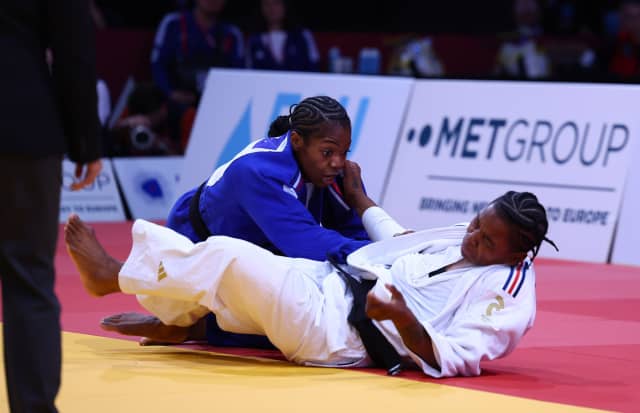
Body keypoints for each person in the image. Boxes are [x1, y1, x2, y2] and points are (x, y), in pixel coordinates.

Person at [64, 183, 557, 378]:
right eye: (476, 224)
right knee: (232, 275)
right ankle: (183, 322)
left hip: (341, 333)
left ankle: (115, 277)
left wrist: (402, 317)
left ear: (518, 253)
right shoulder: (466, 236)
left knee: (229, 257)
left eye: (487, 241)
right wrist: (361, 200)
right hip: (333, 283)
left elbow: (456, 357)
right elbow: (402, 243)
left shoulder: (509, 295)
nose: (472, 239)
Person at [166, 95, 374, 347]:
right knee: (307, 326)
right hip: (194, 244)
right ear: (296, 141)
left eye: (344, 152)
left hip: (266, 243)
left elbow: (357, 234)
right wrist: (380, 255)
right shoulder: (258, 171)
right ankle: (199, 327)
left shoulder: (331, 170)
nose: (338, 162)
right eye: (328, 152)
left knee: (353, 298)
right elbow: (307, 244)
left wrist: (360, 201)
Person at [0, 1, 103, 411]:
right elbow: (73, 50)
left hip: (21, 126)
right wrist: (86, 141)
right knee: (28, 276)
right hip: (20, 126)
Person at [151, 0, 244, 143]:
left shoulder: (231, 33)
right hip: (178, 101)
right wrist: (171, 93)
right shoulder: (173, 23)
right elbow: (158, 64)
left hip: (218, 104)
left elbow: (240, 77)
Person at [246, 0, 320, 72]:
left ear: (285, 5)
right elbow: (248, 71)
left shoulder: (303, 35)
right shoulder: (254, 40)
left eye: (276, 3)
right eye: (266, 4)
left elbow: (314, 67)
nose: (271, 8)